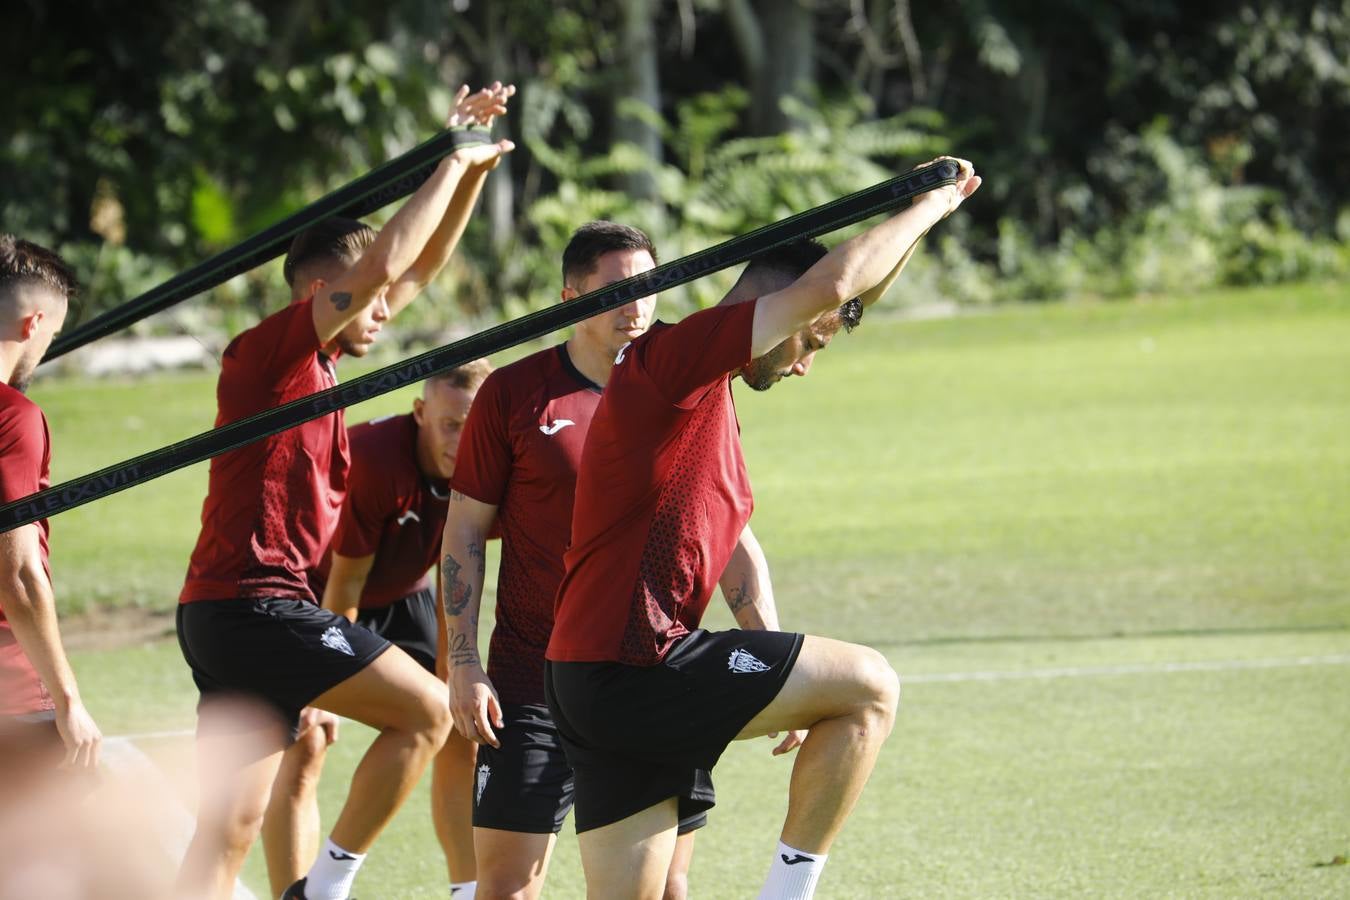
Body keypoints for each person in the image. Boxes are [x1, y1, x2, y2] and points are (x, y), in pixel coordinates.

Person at [543, 158, 982, 899]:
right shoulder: (676, 359)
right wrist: (932, 209)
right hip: (634, 667)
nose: (807, 365)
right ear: (776, 309)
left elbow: (846, 297)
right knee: (871, 687)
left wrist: (912, 216)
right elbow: (829, 287)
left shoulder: (701, 390)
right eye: (809, 345)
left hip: (588, 680)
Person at [174, 82, 515, 900]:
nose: (384, 316)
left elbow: (415, 270)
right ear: (320, 292)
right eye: (364, 302)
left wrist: (468, 172)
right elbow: (388, 265)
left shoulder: (319, 368)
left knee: (229, 830)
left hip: (228, 613)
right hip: (258, 608)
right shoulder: (271, 355)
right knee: (428, 712)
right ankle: (320, 891)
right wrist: (448, 155)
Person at [443, 221, 750, 899]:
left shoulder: (686, 388)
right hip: (532, 677)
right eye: (614, 291)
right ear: (570, 297)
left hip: (651, 671)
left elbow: (726, 526)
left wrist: (757, 648)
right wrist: (462, 661)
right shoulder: (514, 395)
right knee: (505, 886)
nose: (635, 307)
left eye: (647, 288)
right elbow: (464, 528)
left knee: (667, 885)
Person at [262, 360, 493, 899]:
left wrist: (454, 669)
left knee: (464, 727)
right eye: (449, 424)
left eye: (473, 426)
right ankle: (308, 893)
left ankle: (467, 892)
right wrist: (320, 686)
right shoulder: (374, 460)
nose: (461, 441)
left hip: (409, 594)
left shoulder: (490, 459)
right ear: (420, 413)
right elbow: (344, 587)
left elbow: (455, 563)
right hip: (317, 598)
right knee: (307, 742)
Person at [0, 235, 100, 791]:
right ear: (33, 323)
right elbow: (16, 573)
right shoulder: (15, 417)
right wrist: (68, 700)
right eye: (52, 337)